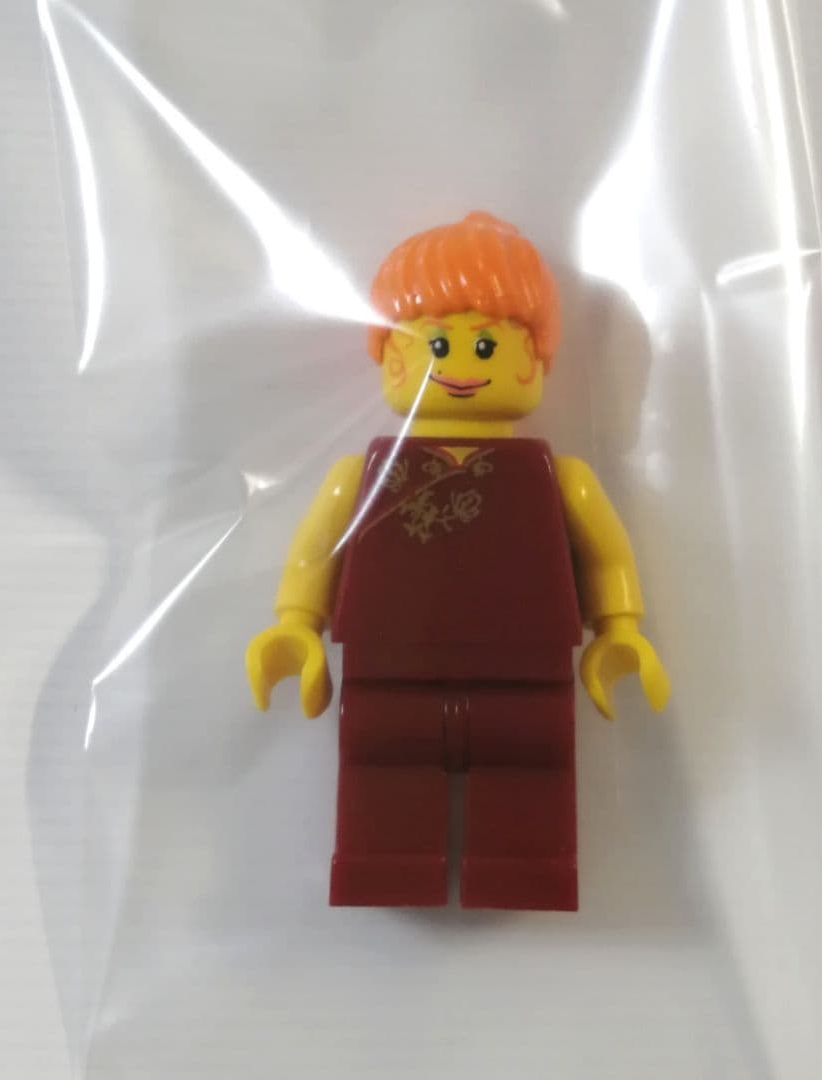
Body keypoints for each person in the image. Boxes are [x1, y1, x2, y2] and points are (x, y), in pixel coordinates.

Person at [246, 211, 669, 910]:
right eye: (438, 344)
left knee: (530, 773)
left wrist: (618, 629)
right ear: (390, 357)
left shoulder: (560, 479)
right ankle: (383, 866)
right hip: (387, 670)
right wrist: (296, 623)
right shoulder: (361, 476)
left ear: (535, 360)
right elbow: (317, 548)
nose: (462, 367)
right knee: (381, 770)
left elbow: (604, 553)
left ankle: (524, 870)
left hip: (528, 675)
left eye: (488, 346)